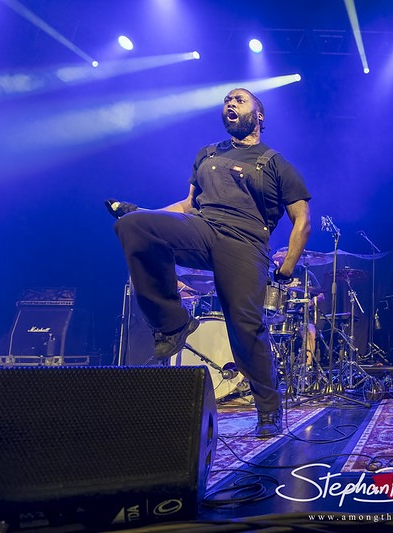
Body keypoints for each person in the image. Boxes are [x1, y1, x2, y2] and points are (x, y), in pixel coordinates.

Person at [108, 88, 311, 438]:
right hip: (202, 229)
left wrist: (286, 268)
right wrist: (142, 213)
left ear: (259, 115)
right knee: (131, 226)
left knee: (244, 326)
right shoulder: (207, 154)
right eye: (227, 100)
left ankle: (268, 407)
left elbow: (302, 219)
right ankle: (173, 324)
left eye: (240, 100)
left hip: (245, 242)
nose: (231, 103)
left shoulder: (275, 163)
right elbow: (187, 206)